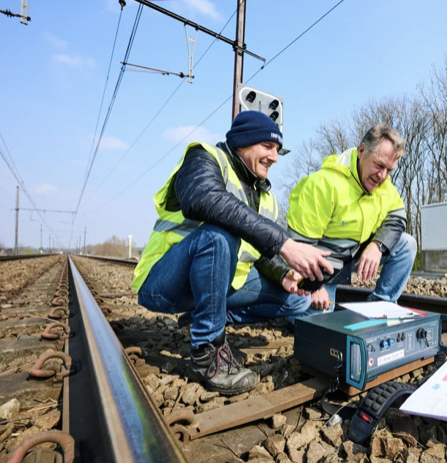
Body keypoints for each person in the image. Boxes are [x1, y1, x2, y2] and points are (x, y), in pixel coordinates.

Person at [133, 110, 336, 395]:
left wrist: (284, 274)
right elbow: (204, 200)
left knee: (294, 300)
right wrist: (285, 244)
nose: (274, 157)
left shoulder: (265, 196)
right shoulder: (204, 159)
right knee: (219, 233)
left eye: (277, 150)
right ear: (242, 143)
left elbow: (260, 253)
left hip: (218, 281)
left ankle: (207, 314)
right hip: (163, 283)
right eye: (267, 147)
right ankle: (207, 351)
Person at [263, 122, 416, 312]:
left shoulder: (385, 187)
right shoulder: (323, 184)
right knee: (319, 321)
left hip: (353, 255)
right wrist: (314, 288)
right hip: (322, 266)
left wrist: (377, 246)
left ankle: (381, 307)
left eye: (389, 170)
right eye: (379, 165)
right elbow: (300, 248)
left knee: (406, 243)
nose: (382, 176)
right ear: (361, 150)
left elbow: (397, 218)